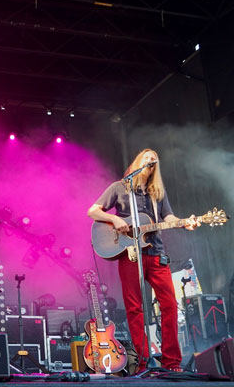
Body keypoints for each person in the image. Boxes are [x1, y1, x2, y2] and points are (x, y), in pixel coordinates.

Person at [87, 148, 199, 372]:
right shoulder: (119, 187)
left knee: (170, 306)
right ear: (139, 161)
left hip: (156, 254)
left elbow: (168, 217)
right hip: (130, 256)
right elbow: (93, 211)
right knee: (134, 309)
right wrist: (114, 219)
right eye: (148, 158)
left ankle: (171, 362)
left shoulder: (157, 192)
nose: (151, 161)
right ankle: (143, 361)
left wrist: (184, 222)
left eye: (154, 160)